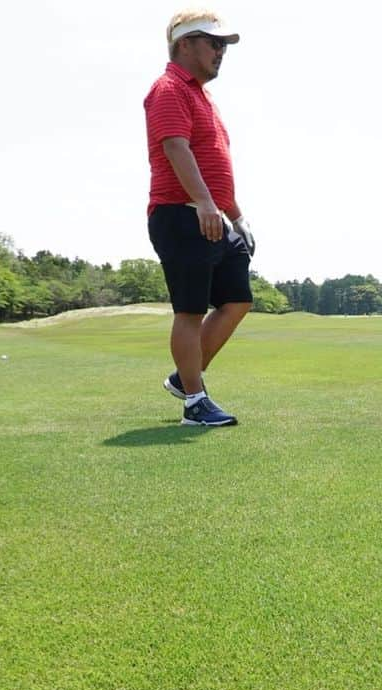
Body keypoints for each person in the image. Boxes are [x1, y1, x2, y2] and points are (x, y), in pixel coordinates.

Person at [144, 10, 255, 427]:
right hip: (180, 214)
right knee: (189, 311)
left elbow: (215, 165)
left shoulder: (203, 97)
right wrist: (205, 204)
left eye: (223, 45)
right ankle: (195, 402)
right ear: (184, 44)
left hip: (212, 215)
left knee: (238, 299)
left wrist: (236, 216)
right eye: (213, 43)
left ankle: (184, 376)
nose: (220, 51)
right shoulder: (169, 88)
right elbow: (176, 149)